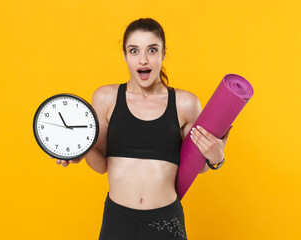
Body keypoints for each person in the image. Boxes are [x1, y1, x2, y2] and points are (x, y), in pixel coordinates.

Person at [52, 18, 232, 240]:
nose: (143, 60)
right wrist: (80, 148)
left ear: (164, 53)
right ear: (125, 55)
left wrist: (216, 158)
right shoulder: (105, 98)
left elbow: (199, 166)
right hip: (118, 221)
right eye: (134, 50)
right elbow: (101, 166)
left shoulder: (186, 103)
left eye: (152, 50)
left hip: (166, 223)